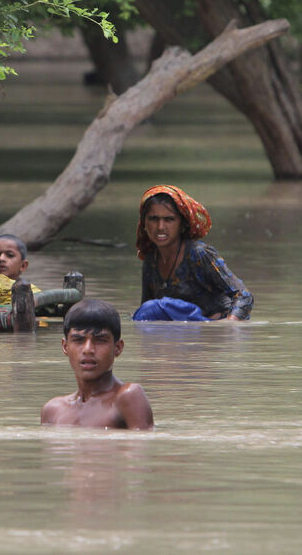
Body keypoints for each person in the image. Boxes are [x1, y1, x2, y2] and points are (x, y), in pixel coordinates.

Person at [135, 184, 253, 321]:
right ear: (144, 223)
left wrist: (228, 325)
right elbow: (146, 311)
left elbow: (244, 295)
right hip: (182, 330)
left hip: (213, 327)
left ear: (182, 224)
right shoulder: (151, 259)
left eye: (169, 219)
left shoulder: (199, 254)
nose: (160, 227)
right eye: (154, 219)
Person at [41, 299, 154, 430]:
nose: (88, 349)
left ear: (118, 348)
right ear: (65, 347)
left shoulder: (128, 397)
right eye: (78, 340)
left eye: (100, 340)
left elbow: (140, 446)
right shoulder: (52, 411)